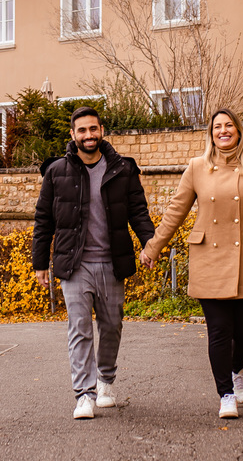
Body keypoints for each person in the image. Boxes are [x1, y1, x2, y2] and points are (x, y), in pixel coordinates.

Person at [140, 108, 243, 419]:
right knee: (220, 331)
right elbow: (176, 212)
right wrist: (153, 248)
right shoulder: (197, 167)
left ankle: (235, 369)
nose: (223, 131)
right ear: (211, 134)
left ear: (238, 131)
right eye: (217, 127)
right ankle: (226, 394)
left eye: (229, 125)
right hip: (208, 258)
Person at [33, 106, 156, 420]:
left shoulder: (123, 169)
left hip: (112, 263)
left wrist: (150, 244)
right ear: (72, 135)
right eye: (82, 130)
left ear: (101, 131)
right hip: (74, 264)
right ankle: (84, 395)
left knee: (112, 326)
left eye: (93, 129)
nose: (88, 135)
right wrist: (40, 263)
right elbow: (43, 220)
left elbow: (138, 212)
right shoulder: (57, 171)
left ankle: (105, 380)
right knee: (80, 328)